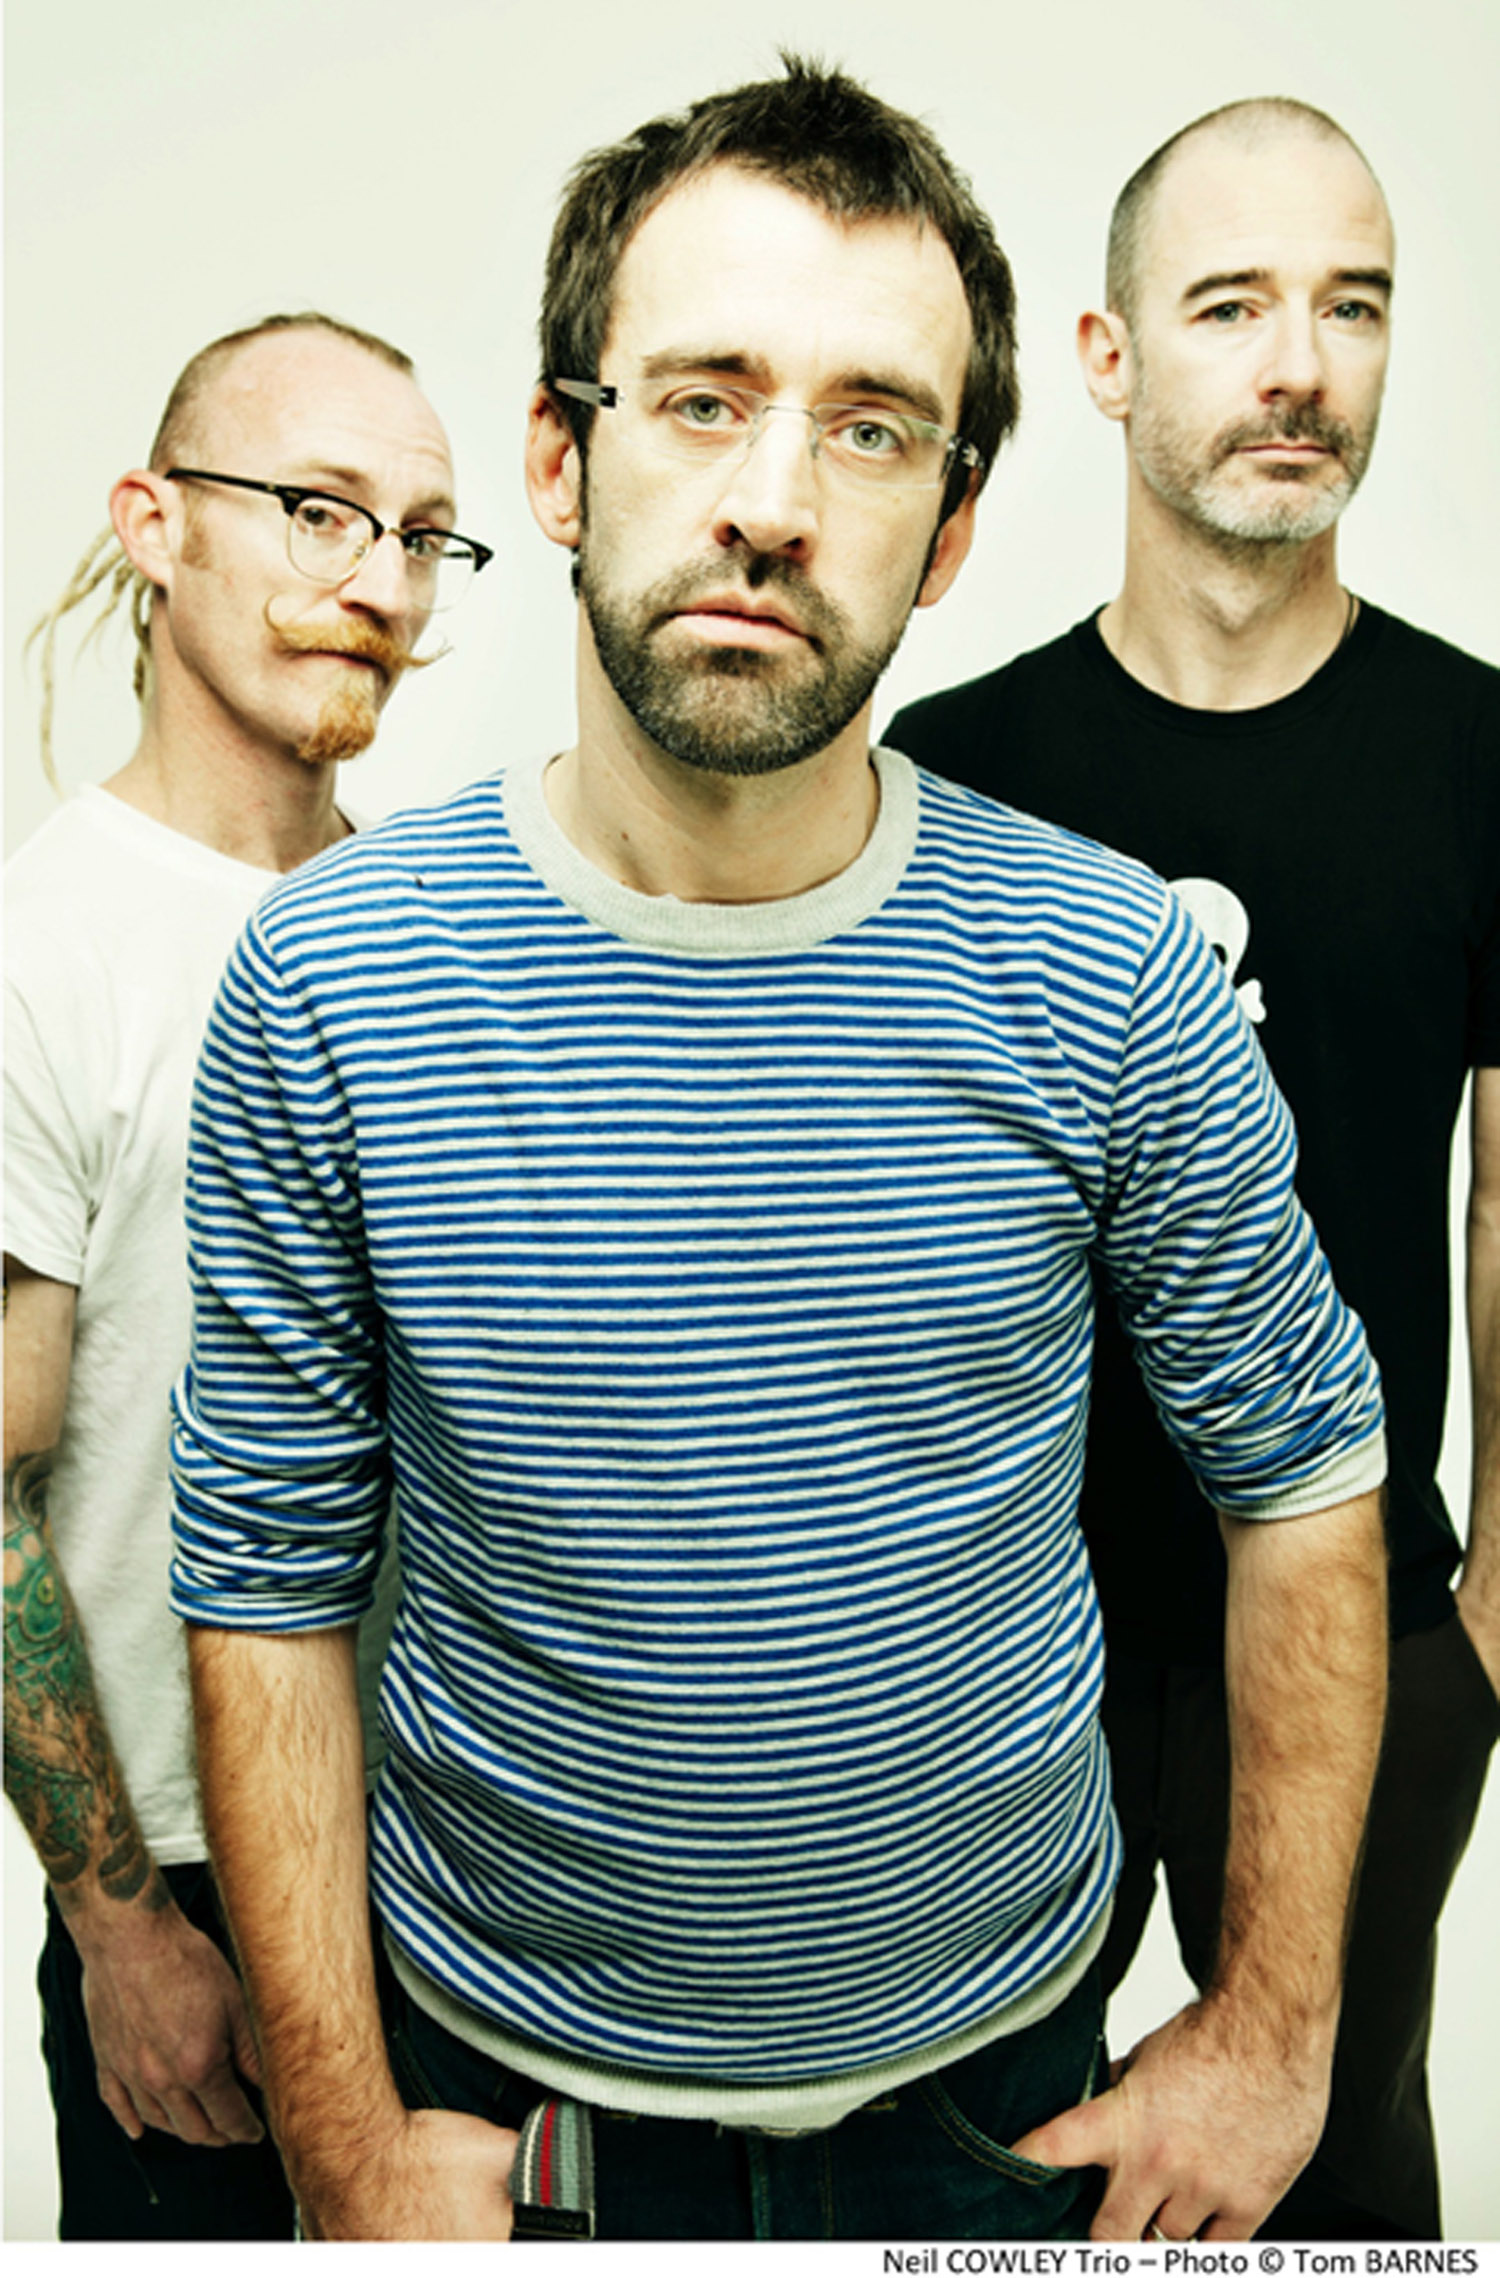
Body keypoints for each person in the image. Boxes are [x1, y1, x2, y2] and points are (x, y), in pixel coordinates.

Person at [170, 62, 1389, 2246]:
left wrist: (1277, 2033)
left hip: (1000, 2094)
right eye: (703, 399)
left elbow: (1303, 1481)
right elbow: (264, 1575)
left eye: (871, 426)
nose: (771, 500)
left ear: (952, 527)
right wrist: (340, 2137)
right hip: (503, 2107)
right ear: (561, 458)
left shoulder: (1109, 966)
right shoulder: (332, 978)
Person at [886, 97, 1500, 2241]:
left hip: (1356, 1621)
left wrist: (1496, 1604)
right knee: (971, 2174)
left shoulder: (1480, 756)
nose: (1298, 365)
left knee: (1334, 2170)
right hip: (1004, 1622)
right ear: (1108, 353)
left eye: (1352, 306)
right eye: (1232, 305)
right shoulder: (952, 775)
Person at [3, 309, 492, 2241]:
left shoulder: (436, 928)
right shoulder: (45, 946)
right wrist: (118, 1923)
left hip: (463, 1854)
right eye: (318, 510)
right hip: (188, 1875)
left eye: (422, 535)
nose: (379, 582)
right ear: (156, 522)